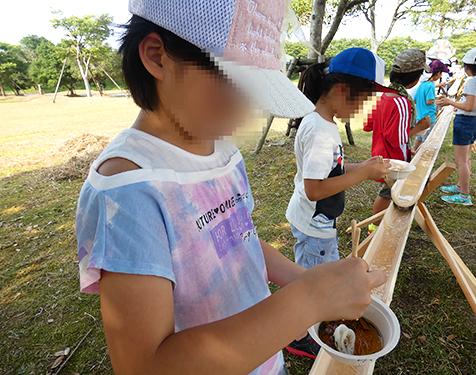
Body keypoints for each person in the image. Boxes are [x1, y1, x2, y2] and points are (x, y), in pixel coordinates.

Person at [75, 1, 387, 374]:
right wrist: (308, 299)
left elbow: (238, 238)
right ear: (157, 56)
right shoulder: (126, 192)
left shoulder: (223, 152)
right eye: (235, 84)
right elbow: (144, 365)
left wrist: (307, 280)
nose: (245, 113)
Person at [286, 48, 392, 271]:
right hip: (314, 230)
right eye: (362, 102)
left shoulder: (323, 121)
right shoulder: (319, 131)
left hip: (318, 224)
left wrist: (362, 166)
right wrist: (363, 174)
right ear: (342, 90)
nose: (361, 109)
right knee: (316, 287)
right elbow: (314, 190)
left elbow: (331, 168)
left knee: (326, 276)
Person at [364, 49, 431, 234]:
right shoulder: (402, 102)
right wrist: (419, 127)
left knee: (388, 191)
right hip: (394, 159)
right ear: (416, 77)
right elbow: (396, 138)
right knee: (387, 193)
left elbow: (368, 125)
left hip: (381, 154)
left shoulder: (383, 96)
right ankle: (374, 228)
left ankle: (380, 224)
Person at [437, 47, 476, 206]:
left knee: (461, 160)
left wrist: (449, 102)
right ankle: (461, 185)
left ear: (467, 67)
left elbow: (469, 107)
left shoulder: (471, 82)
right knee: (466, 158)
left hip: (465, 123)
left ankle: (464, 195)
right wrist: (461, 105)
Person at [413, 60, 450, 151]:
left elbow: (415, 100)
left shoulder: (422, 84)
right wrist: (438, 99)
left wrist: (436, 98)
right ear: (437, 73)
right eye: (441, 74)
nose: (441, 76)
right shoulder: (431, 86)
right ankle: (423, 156)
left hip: (419, 116)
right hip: (428, 118)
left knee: (419, 137)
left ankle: (414, 152)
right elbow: (429, 102)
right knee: (427, 140)